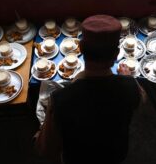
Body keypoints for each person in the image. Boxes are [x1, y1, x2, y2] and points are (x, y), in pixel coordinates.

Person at [34, 15, 149, 164]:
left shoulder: (60, 99)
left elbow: (45, 149)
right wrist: (128, 78)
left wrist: (41, 130)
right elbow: (142, 99)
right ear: (115, 55)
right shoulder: (130, 87)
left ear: (80, 49)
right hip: (116, 154)